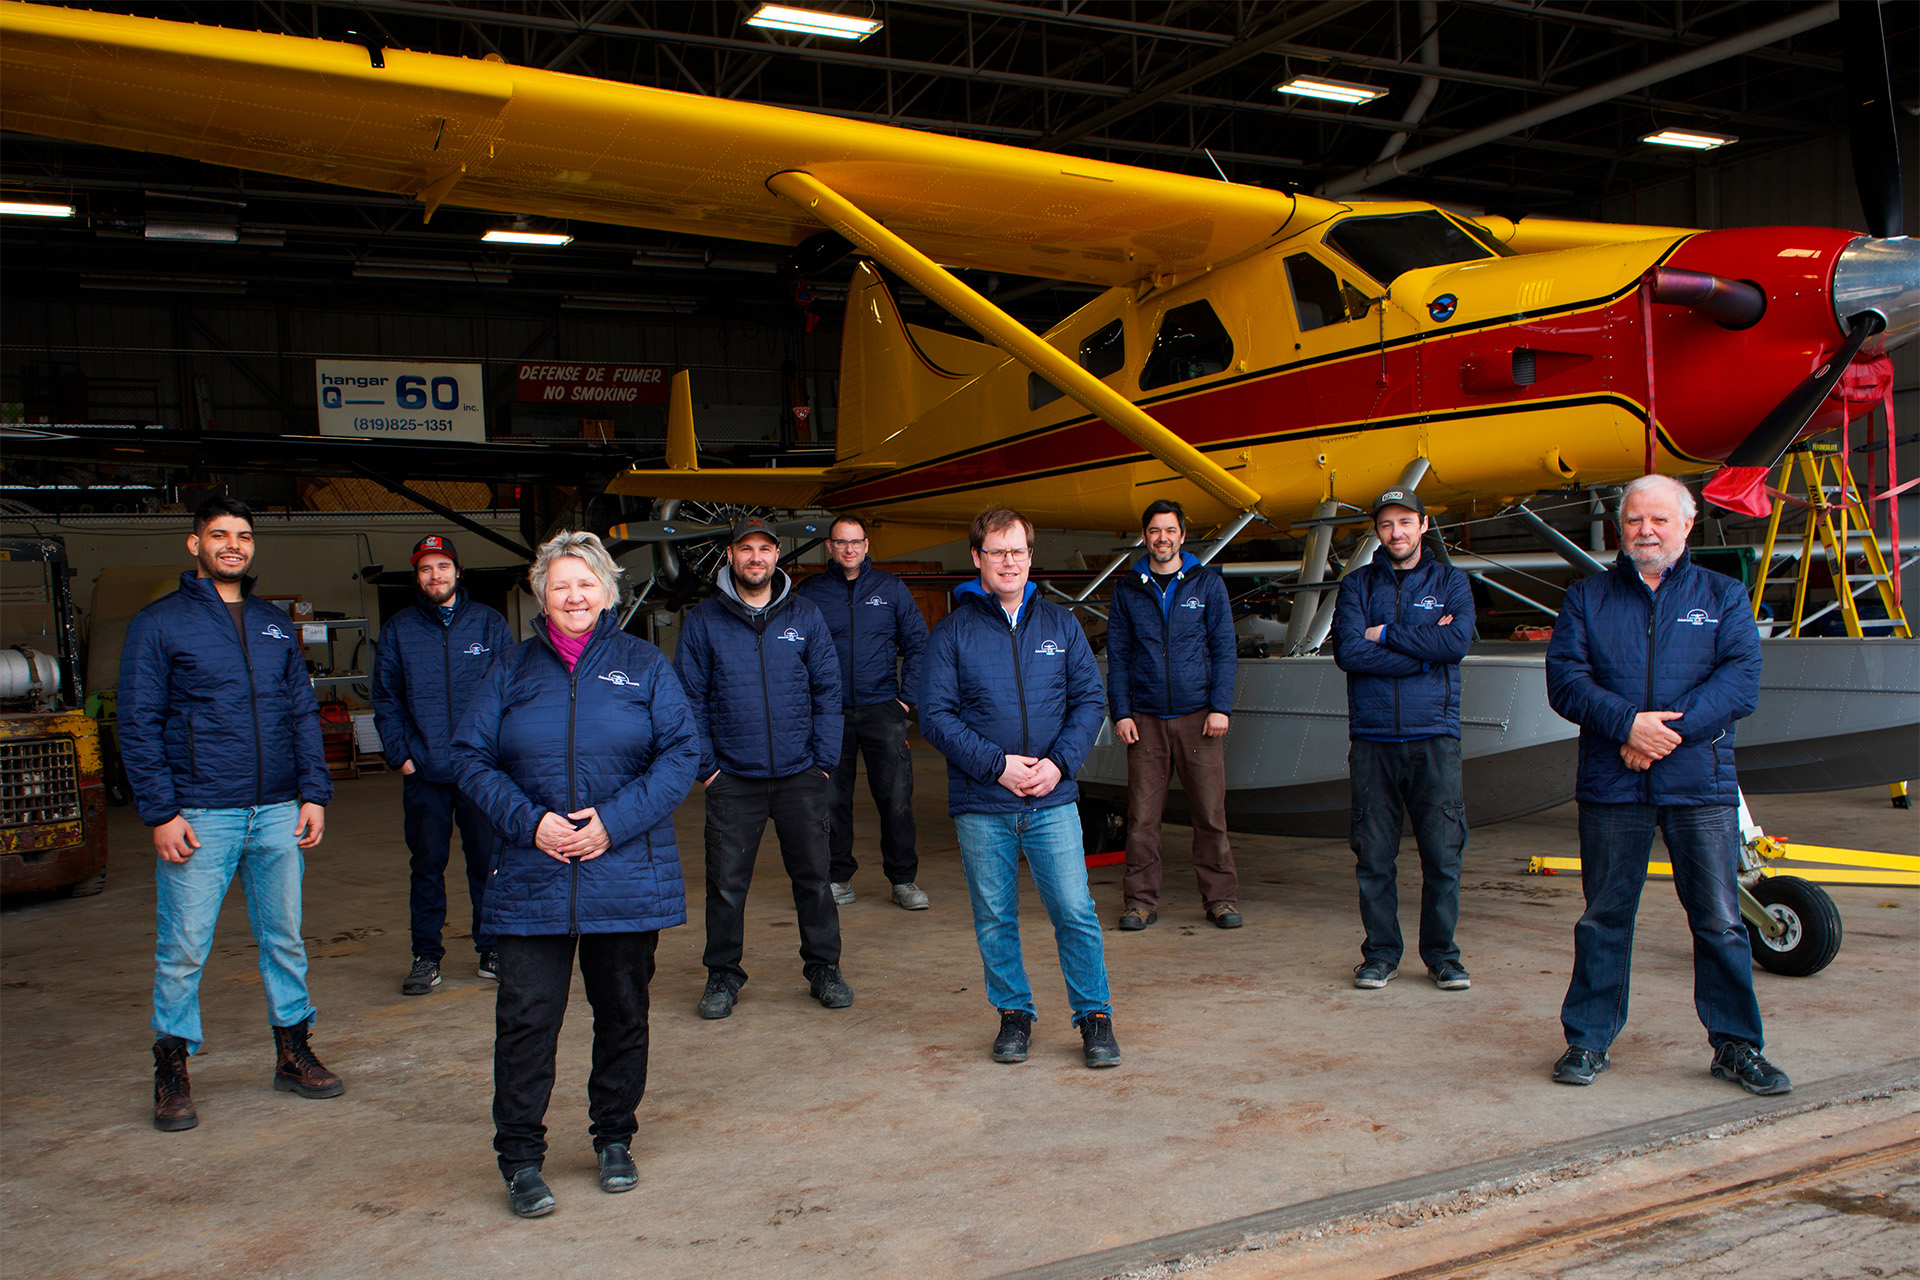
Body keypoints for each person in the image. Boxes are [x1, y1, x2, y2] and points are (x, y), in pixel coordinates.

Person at [452, 530, 698, 1218]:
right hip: (532, 872)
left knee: (622, 1013)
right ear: (540, 595)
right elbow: (470, 757)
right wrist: (531, 822)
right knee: (527, 1018)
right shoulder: (509, 669)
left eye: (586, 583)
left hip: (622, 871)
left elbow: (681, 754)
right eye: (560, 584)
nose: (573, 595)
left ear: (608, 592)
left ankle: (614, 1137)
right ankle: (521, 1158)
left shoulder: (645, 665)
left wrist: (611, 824)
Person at [1544, 474, 1788, 1095]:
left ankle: (1737, 1046)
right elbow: (1566, 682)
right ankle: (1588, 1041)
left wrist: (1659, 735)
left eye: (1658, 521)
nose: (1645, 532)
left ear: (1686, 525)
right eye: (1633, 521)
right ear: (1620, 528)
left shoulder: (1725, 596)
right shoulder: (1586, 598)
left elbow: (1740, 684)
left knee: (1720, 920)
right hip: (1612, 782)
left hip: (1698, 783)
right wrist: (1626, 724)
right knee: (1603, 918)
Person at [118, 495, 342, 1133]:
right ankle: (172, 1070)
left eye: (243, 535)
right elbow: (137, 722)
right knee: (184, 948)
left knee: (285, 939)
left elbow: (300, 711)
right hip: (200, 811)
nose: (233, 545)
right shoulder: (159, 624)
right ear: (196, 545)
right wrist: (161, 811)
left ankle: (294, 1053)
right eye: (219, 535)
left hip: (276, 810)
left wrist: (314, 792)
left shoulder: (274, 623)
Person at [919, 508, 1119, 1068]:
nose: (1010, 562)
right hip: (984, 802)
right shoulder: (953, 632)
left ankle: (1094, 1017)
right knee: (995, 916)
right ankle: (1014, 1015)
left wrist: (1059, 764)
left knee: (1075, 910)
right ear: (977, 558)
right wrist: (995, 766)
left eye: (1019, 551)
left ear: (1031, 558)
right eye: (998, 551)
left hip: (1052, 798)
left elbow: (1088, 702)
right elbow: (935, 715)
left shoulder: (1061, 625)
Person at [674, 516, 851, 1020]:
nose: (756, 557)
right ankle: (723, 976)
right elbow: (690, 698)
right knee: (726, 885)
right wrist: (708, 768)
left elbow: (827, 691)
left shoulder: (807, 615)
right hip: (733, 778)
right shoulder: (705, 621)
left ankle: (824, 969)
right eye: (745, 548)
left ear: (778, 556)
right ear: (730, 555)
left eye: (765, 549)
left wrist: (823, 762)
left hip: (801, 774)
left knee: (814, 879)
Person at [1330, 487, 1476, 992]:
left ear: (1423, 524)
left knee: (1442, 855)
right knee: (1373, 856)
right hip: (1372, 739)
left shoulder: (1451, 582)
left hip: (1434, 735)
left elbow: (1455, 644)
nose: (1396, 532)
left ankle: (1442, 956)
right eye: (1387, 524)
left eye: (1405, 522)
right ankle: (1381, 954)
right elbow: (1348, 652)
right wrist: (1423, 650)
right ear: (1377, 531)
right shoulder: (1356, 587)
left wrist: (1385, 634)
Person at [372, 534, 515, 995]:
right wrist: (402, 757)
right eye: (426, 569)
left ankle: (490, 948)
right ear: (418, 576)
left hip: (479, 773)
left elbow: (510, 694)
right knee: (427, 865)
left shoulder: (490, 625)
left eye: (443, 566)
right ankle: (425, 957)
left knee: (487, 863)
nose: (436, 575)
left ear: (458, 571)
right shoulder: (399, 630)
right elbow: (386, 698)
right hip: (426, 772)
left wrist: (500, 757)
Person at [1106, 499, 1241, 931]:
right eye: (1154, 531)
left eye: (1170, 530)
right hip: (1144, 719)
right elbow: (1120, 656)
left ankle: (1220, 899)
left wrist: (1220, 706)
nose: (1162, 538)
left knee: (1210, 815)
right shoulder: (1128, 589)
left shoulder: (1207, 585)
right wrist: (1121, 712)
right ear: (1145, 536)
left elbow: (1224, 650)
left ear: (1182, 535)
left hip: (1199, 718)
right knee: (1143, 819)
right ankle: (1140, 902)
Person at [797, 513, 931, 911]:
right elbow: (793, 653)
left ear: (867, 545)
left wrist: (906, 700)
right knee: (832, 799)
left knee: (896, 797)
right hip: (830, 714)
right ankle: (838, 878)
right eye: (841, 542)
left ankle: (903, 880)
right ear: (830, 547)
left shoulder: (890, 590)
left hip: (882, 710)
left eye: (855, 542)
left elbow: (920, 645)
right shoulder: (812, 593)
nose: (849, 549)